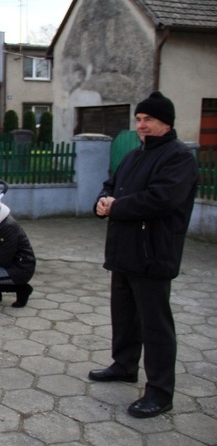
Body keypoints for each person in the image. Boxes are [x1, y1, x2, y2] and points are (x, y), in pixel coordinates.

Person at [88, 91, 198, 419]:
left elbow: (161, 199)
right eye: (138, 119)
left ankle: (161, 392)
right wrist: (102, 201)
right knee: (124, 314)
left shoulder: (178, 158)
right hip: (124, 250)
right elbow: (111, 184)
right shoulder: (134, 156)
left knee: (156, 326)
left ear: (166, 122)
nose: (141, 125)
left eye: (148, 119)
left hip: (154, 254)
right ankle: (124, 365)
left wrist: (116, 206)